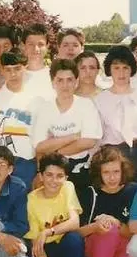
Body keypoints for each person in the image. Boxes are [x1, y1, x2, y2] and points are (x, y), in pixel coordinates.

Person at [77, 147, 137, 257]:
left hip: (123, 245)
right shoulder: (90, 193)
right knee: (109, 230)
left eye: (116, 172)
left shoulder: (133, 191)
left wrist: (116, 222)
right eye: (106, 172)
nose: (112, 178)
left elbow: (134, 233)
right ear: (99, 173)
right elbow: (77, 232)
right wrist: (95, 227)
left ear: (123, 170)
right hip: (96, 246)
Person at [25, 153, 85, 257]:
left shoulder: (68, 187)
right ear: (41, 176)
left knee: (74, 238)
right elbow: (36, 245)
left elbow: (75, 222)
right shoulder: (31, 199)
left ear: (66, 178)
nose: (54, 180)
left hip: (65, 253)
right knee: (32, 249)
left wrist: (48, 232)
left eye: (59, 176)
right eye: (49, 175)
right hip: (44, 254)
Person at [95, 46, 137, 182]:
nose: (121, 73)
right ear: (109, 70)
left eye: (125, 68)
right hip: (114, 154)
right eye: (116, 68)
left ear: (131, 69)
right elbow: (97, 137)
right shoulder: (100, 100)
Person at [31, 59, 102, 188]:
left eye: (69, 80)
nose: (65, 85)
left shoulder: (86, 105)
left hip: (80, 170)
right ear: (53, 82)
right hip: (52, 172)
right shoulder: (44, 109)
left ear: (76, 81)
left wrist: (54, 150)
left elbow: (89, 142)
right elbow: (39, 146)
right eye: (60, 80)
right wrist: (73, 137)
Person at [0, 48, 40, 190]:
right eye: (8, 70)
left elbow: (40, 140)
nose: (13, 74)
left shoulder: (36, 100)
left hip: (25, 163)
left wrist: (39, 170)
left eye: (17, 69)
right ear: (2, 70)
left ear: (25, 68)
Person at [22, 24, 54, 101]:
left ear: (47, 46)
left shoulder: (55, 76)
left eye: (41, 44)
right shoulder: (15, 76)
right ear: (24, 46)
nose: (36, 49)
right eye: (31, 44)